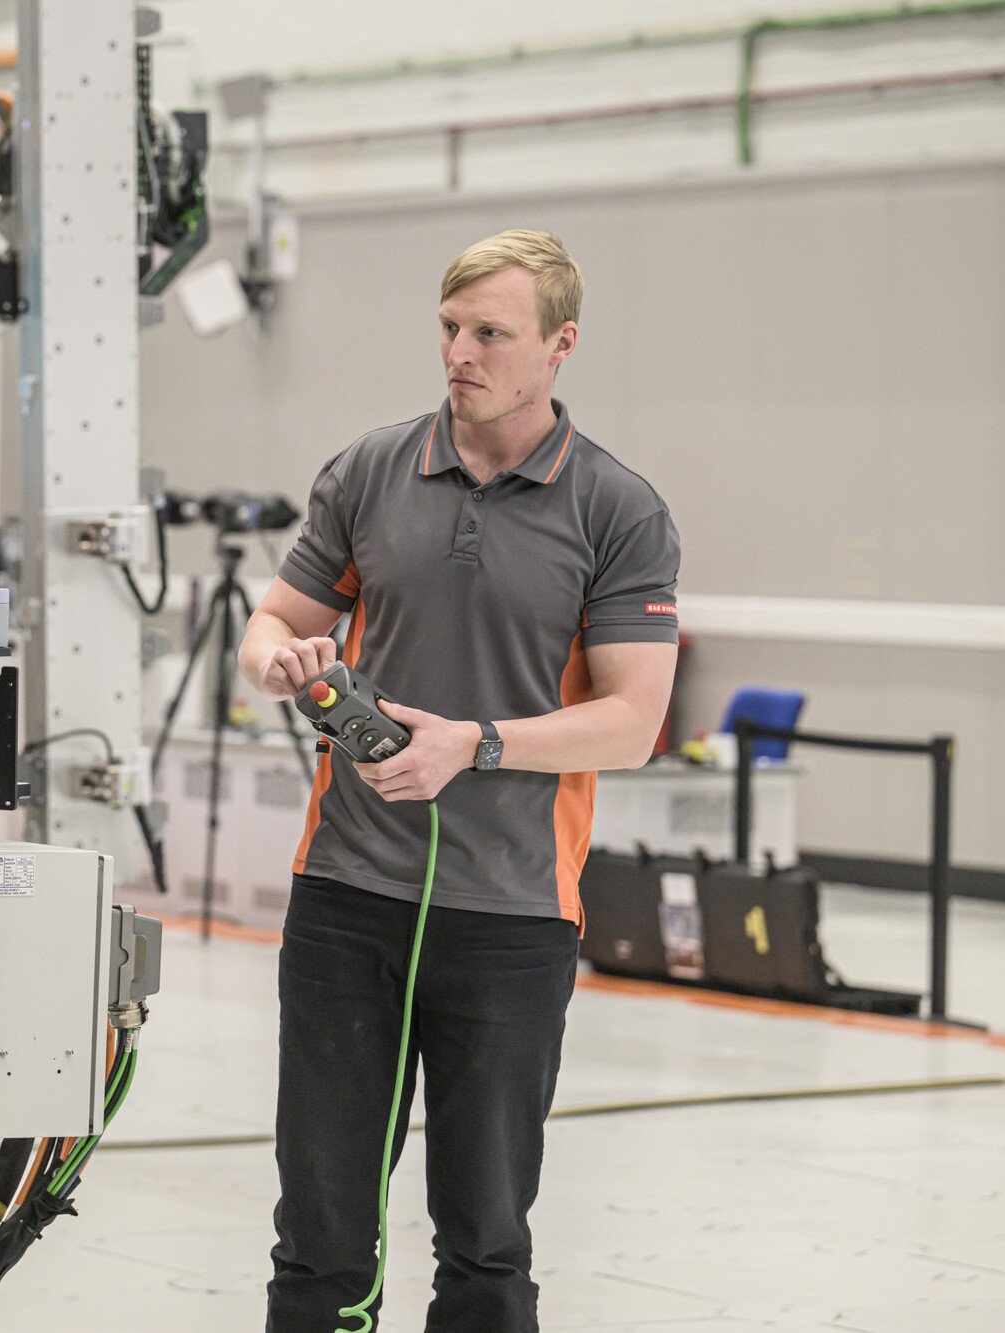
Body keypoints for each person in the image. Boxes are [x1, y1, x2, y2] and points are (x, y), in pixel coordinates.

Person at [237, 230, 680, 1332]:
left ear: (557, 346)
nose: (459, 353)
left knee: (484, 1244)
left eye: (490, 333)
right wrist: (278, 660)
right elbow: (275, 619)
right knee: (318, 1238)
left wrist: (471, 744)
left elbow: (629, 724)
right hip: (344, 896)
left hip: (513, 912)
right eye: (448, 327)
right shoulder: (368, 470)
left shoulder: (616, 510)